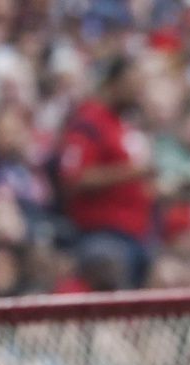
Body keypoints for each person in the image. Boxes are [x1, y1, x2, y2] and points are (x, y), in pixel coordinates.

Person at [56, 54, 155, 288]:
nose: (138, 91)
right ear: (114, 83)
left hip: (136, 235)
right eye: (133, 84)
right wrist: (131, 172)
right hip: (101, 235)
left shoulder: (123, 125)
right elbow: (73, 178)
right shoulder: (89, 122)